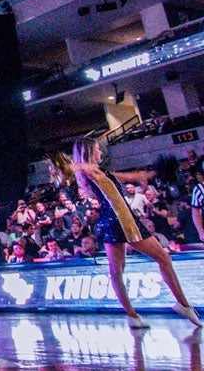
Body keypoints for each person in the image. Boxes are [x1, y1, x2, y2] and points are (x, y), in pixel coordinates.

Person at [70, 137, 201, 329]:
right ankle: (183, 305)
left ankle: (133, 316)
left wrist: (153, 172)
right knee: (162, 258)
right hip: (122, 220)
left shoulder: (101, 171)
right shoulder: (90, 170)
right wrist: (70, 162)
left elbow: (130, 177)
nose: (101, 152)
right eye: (98, 149)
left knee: (117, 271)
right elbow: (80, 166)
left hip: (112, 221)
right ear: (89, 152)